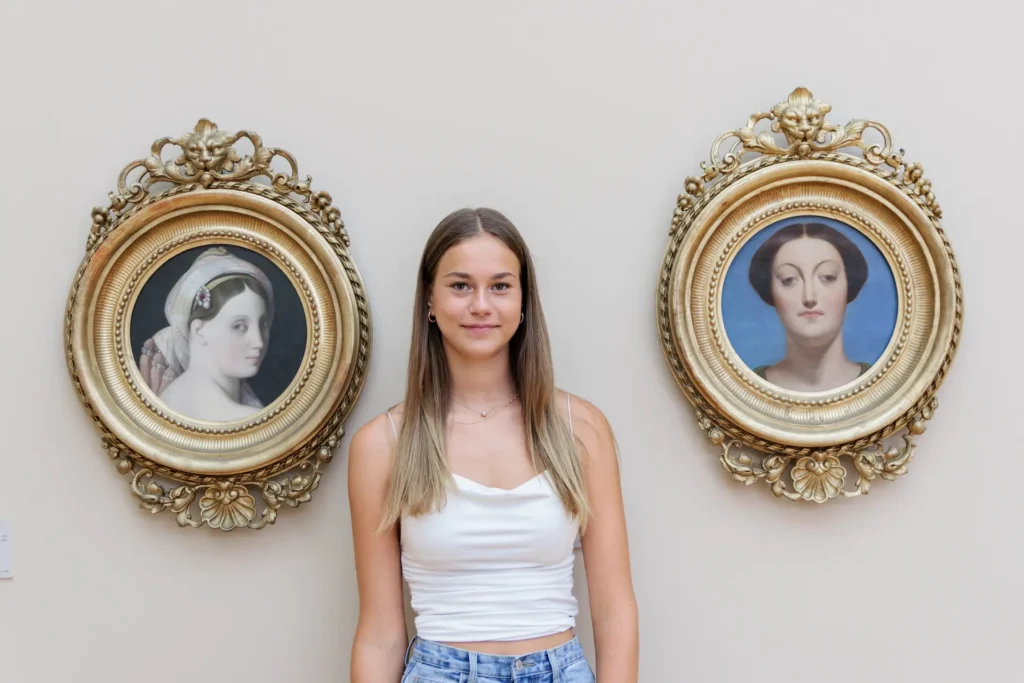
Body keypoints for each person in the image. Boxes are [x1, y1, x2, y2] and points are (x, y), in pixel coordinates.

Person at [347, 208, 639, 682]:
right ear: (429, 300)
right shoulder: (383, 445)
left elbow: (615, 611)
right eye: (460, 286)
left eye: (500, 286)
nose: (481, 305)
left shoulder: (581, 429)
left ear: (523, 301)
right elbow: (380, 632)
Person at [139, 246, 274, 422]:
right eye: (239, 326)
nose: (258, 342)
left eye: (263, 324)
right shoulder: (247, 420)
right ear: (199, 331)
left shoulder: (171, 396)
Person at [747, 221, 871, 392]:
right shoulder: (746, 388)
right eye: (789, 280)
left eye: (827, 277)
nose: (809, 297)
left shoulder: (882, 382)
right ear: (770, 291)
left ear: (849, 285)